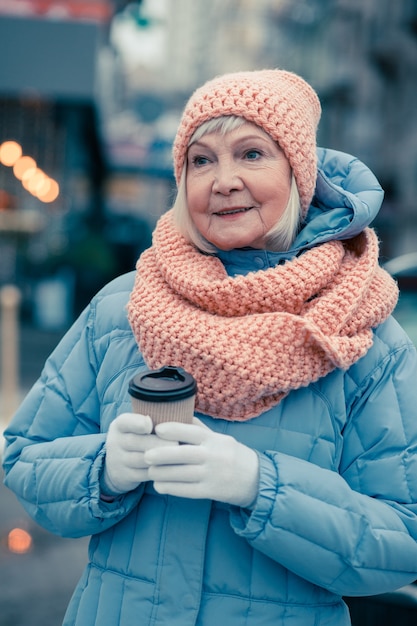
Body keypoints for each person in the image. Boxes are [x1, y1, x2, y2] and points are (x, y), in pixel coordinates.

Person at [3, 69, 417, 626]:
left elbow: (402, 537)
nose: (223, 180)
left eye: (252, 154)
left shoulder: (361, 334)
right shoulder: (119, 309)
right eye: (201, 160)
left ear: (299, 173)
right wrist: (102, 468)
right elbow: (24, 458)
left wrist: (259, 486)